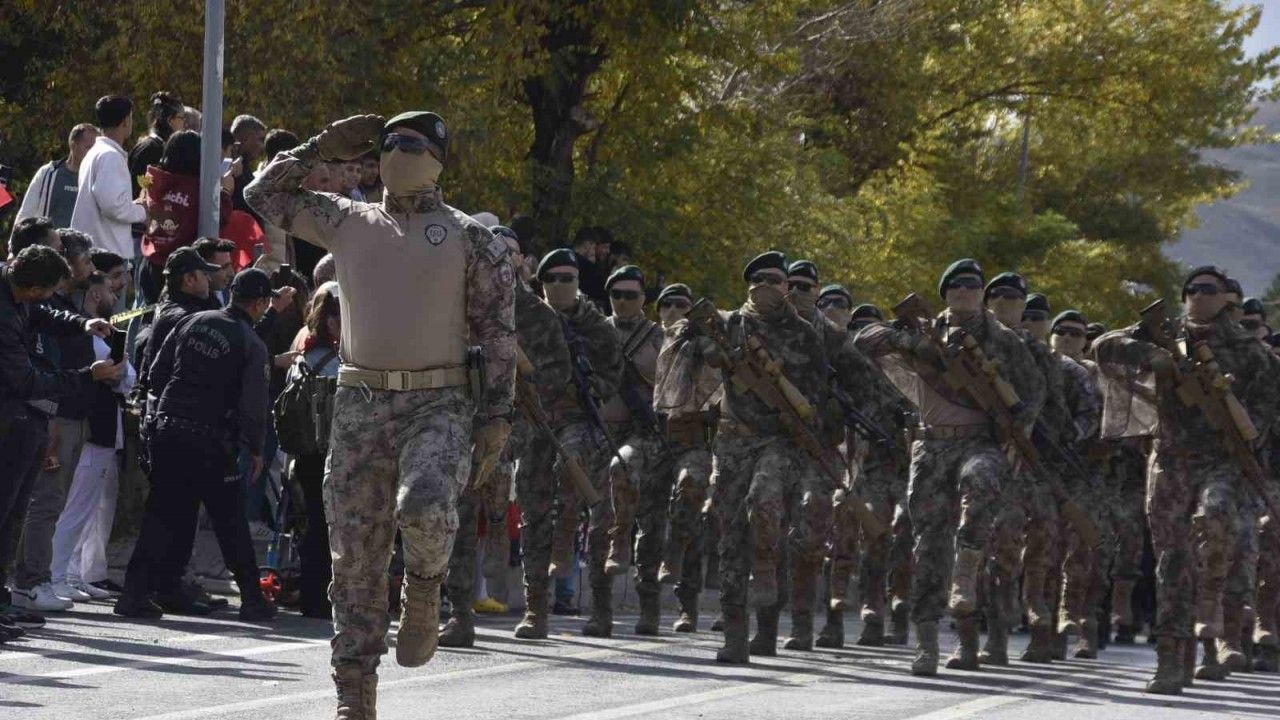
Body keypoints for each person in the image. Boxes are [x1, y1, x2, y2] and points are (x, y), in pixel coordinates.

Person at [246, 111, 515, 718]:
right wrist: (317, 149)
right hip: (360, 404)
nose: (400, 151)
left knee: (425, 506)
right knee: (355, 561)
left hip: (438, 401)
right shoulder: (349, 220)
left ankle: (423, 588)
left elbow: (498, 332)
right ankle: (355, 695)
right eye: (391, 142)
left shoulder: (472, 239)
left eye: (414, 143)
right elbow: (262, 195)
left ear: (438, 159)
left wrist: (498, 415)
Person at [1095, 265, 1280, 694]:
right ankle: (1171, 660)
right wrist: (1153, 356)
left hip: (1223, 460)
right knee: (1172, 561)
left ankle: (1214, 620)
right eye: (1192, 289)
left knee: (1216, 518)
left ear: (1225, 299)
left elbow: (1266, 408)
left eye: (1208, 290)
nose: (1198, 296)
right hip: (1171, 461)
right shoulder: (1168, 336)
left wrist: (1229, 407)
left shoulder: (1248, 350)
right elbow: (1105, 346)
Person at [854, 259, 1042, 676]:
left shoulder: (1003, 339)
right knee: (928, 546)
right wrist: (912, 343)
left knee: (978, 491)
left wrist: (1017, 435)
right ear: (944, 293)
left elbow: (1032, 393)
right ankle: (928, 645)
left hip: (981, 442)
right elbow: (864, 339)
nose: (964, 291)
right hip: (932, 446)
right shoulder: (926, 330)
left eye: (972, 285)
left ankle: (968, 586)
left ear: (982, 293)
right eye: (955, 285)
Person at [115, 268, 281, 622]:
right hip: (211, 440)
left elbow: (157, 372)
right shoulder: (251, 343)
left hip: (168, 429)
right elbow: (254, 405)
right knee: (230, 521)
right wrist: (255, 448)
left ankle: (140, 592)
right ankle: (252, 599)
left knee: (165, 515)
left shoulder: (192, 321)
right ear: (261, 304)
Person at [440, 226, 562, 648]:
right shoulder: (460, 306)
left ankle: (535, 606)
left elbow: (557, 379)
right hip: (471, 421)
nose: (498, 260)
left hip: (525, 426)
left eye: (507, 252)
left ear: (521, 261)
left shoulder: (539, 316)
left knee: (533, 514)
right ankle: (460, 612)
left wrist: (522, 385)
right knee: (459, 512)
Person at [0, 246, 120, 621]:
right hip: (11, 417)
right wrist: (86, 376)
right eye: (50, 291)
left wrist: (81, 323)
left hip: (23, 419)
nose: (52, 299)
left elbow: (44, 314)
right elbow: (26, 381)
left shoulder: (20, 296)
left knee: (13, 515)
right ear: (35, 287)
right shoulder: (5, 315)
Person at [510, 249, 621, 642]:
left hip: (579, 422)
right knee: (534, 511)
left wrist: (589, 388)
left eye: (567, 278)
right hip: (534, 422)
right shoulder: (527, 318)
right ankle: (536, 608)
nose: (559, 285)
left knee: (588, 497)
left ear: (578, 282)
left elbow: (612, 374)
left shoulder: (596, 327)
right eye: (551, 278)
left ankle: (601, 605)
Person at [49, 272, 133, 601]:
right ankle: (55, 575)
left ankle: (70, 574)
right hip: (90, 429)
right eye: (110, 287)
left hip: (101, 428)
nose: (116, 294)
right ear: (95, 294)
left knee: (84, 511)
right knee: (73, 509)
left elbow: (127, 378)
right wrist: (117, 373)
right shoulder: (86, 337)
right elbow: (122, 376)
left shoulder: (98, 334)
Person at [598, 265, 668, 634]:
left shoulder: (658, 337)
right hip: (601, 431)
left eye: (631, 295)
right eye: (617, 295)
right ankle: (600, 613)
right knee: (600, 523)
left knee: (651, 525)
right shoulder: (596, 332)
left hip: (647, 437)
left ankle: (649, 609)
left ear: (643, 299)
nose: (623, 301)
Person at [652, 282, 720, 633]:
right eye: (667, 304)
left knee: (689, 509)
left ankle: (687, 606)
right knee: (647, 522)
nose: (674, 311)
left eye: (682, 305)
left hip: (693, 441)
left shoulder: (700, 345)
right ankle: (647, 608)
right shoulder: (647, 341)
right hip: (650, 438)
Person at [289, 281, 342, 619]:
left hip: (304, 452)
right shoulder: (337, 363)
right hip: (329, 453)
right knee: (325, 526)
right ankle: (319, 596)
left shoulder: (303, 357)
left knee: (312, 523)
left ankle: (312, 593)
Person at [137, 130, 233, 304]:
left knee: (151, 314)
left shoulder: (153, 181)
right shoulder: (197, 188)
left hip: (151, 263)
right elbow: (219, 217)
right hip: (183, 271)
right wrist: (225, 191)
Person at [71, 95, 148, 263]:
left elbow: (107, 200)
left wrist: (133, 205)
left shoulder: (95, 153)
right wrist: (143, 211)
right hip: (108, 255)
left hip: (95, 250)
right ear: (126, 121)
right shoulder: (110, 156)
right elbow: (113, 206)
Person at [13, 123, 99, 231]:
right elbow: (26, 212)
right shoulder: (48, 173)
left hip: (82, 240)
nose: (93, 153)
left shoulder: (97, 177)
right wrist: (16, 239)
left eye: (95, 149)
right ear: (73, 145)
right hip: (49, 239)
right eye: (88, 148)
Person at [128, 91, 186, 198]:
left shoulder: (158, 146)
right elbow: (139, 192)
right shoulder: (150, 149)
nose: (184, 123)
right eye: (182, 118)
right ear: (170, 120)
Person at [230, 114, 267, 214]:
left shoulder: (244, 166)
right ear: (246, 138)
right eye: (260, 139)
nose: (262, 146)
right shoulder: (225, 167)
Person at [193, 237, 236, 306]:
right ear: (204, 269)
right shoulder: (188, 305)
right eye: (224, 267)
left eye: (230, 265)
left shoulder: (233, 291)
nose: (232, 273)